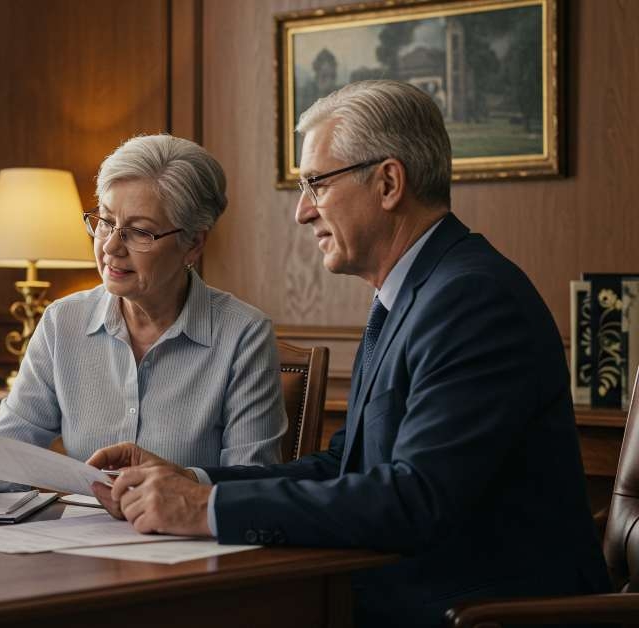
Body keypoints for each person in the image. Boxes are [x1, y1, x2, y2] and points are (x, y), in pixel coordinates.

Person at [87, 81, 610, 627]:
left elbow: (414, 500)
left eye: (315, 184)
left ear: (388, 182)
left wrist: (202, 510)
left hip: (478, 613)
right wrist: (195, 482)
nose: (302, 212)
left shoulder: (472, 300)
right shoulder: (412, 293)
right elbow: (346, 466)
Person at [0, 134, 287, 497]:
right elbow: (13, 443)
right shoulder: (62, 322)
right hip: (79, 541)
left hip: (189, 541)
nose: (111, 247)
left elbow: (254, 478)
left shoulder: (244, 333)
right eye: (105, 221)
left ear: (193, 243)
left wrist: (179, 481)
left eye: (139, 232)